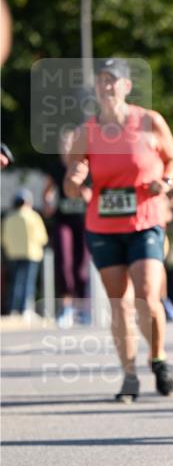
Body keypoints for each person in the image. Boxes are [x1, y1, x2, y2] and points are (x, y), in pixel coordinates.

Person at [64, 57, 173, 401]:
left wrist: (166, 180)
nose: (107, 86)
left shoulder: (148, 120)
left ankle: (158, 358)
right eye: (102, 80)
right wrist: (74, 181)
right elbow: (72, 182)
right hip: (103, 226)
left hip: (145, 219)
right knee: (120, 304)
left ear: (126, 86)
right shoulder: (86, 132)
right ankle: (129, 375)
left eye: (113, 80)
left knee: (147, 293)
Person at [43, 129, 90, 327]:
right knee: (63, 261)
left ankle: (83, 308)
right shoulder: (56, 168)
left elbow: (94, 192)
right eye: (63, 144)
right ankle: (67, 307)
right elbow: (47, 190)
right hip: (63, 220)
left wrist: (87, 195)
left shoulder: (85, 166)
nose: (66, 147)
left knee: (81, 266)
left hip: (83, 221)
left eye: (70, 143)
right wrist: (47, 203)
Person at [2, 189, 48, 316]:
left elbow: (4, 238)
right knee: (28, 282)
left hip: (13, 254)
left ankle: (12, 309)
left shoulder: (8, 217)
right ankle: (25, 309)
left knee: (14, 282)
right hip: (31, 254)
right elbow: (42, 237)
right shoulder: (33, 217)